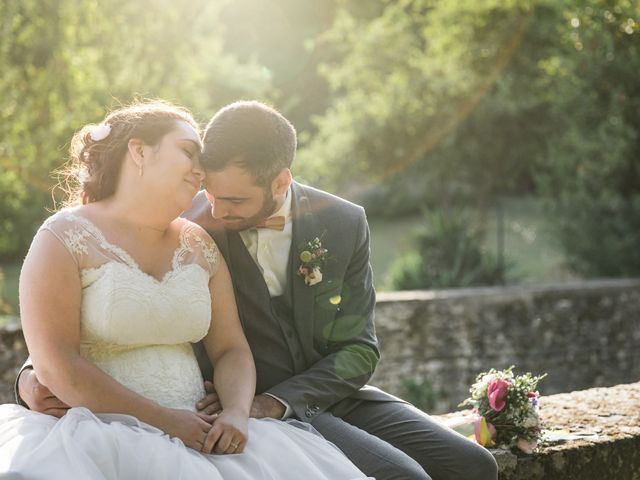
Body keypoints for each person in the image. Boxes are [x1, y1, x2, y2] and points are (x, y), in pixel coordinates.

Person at [16, 101, 499, 479]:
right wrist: (31, 378)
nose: (215, 206)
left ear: (280, 181)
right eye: (205, 186)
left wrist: (267, 404)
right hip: (227, 410)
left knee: (475, 466)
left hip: (316, 396)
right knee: (401, 476)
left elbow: (358, 347)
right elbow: (84, 330)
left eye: (233, 200)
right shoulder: (190, 223)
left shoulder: (342, 222)